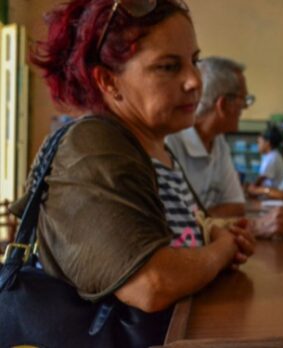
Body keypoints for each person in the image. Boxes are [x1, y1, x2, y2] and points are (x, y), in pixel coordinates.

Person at [13, 0, 253, 344]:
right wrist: (222, 250)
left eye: (194, 61)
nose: (194, 81)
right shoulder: (94, 144)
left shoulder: (155, 145)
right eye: (168, 67)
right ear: (108, 81)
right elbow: (150, 285)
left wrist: (215, 232)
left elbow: (185, 231)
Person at [166, 57, 283, 237]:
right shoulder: (170, 141)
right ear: (223, 104)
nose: (245, 107)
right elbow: (176, 226)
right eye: (244, 100)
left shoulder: (219, 142)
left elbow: (236, 206)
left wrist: (201, 220)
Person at [255, 123, 283, 188]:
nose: (258, 146)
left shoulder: (272, 158)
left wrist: (252, 187)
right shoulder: (270, 155)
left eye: (259, 142)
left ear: (267, 143)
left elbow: (261, 178)